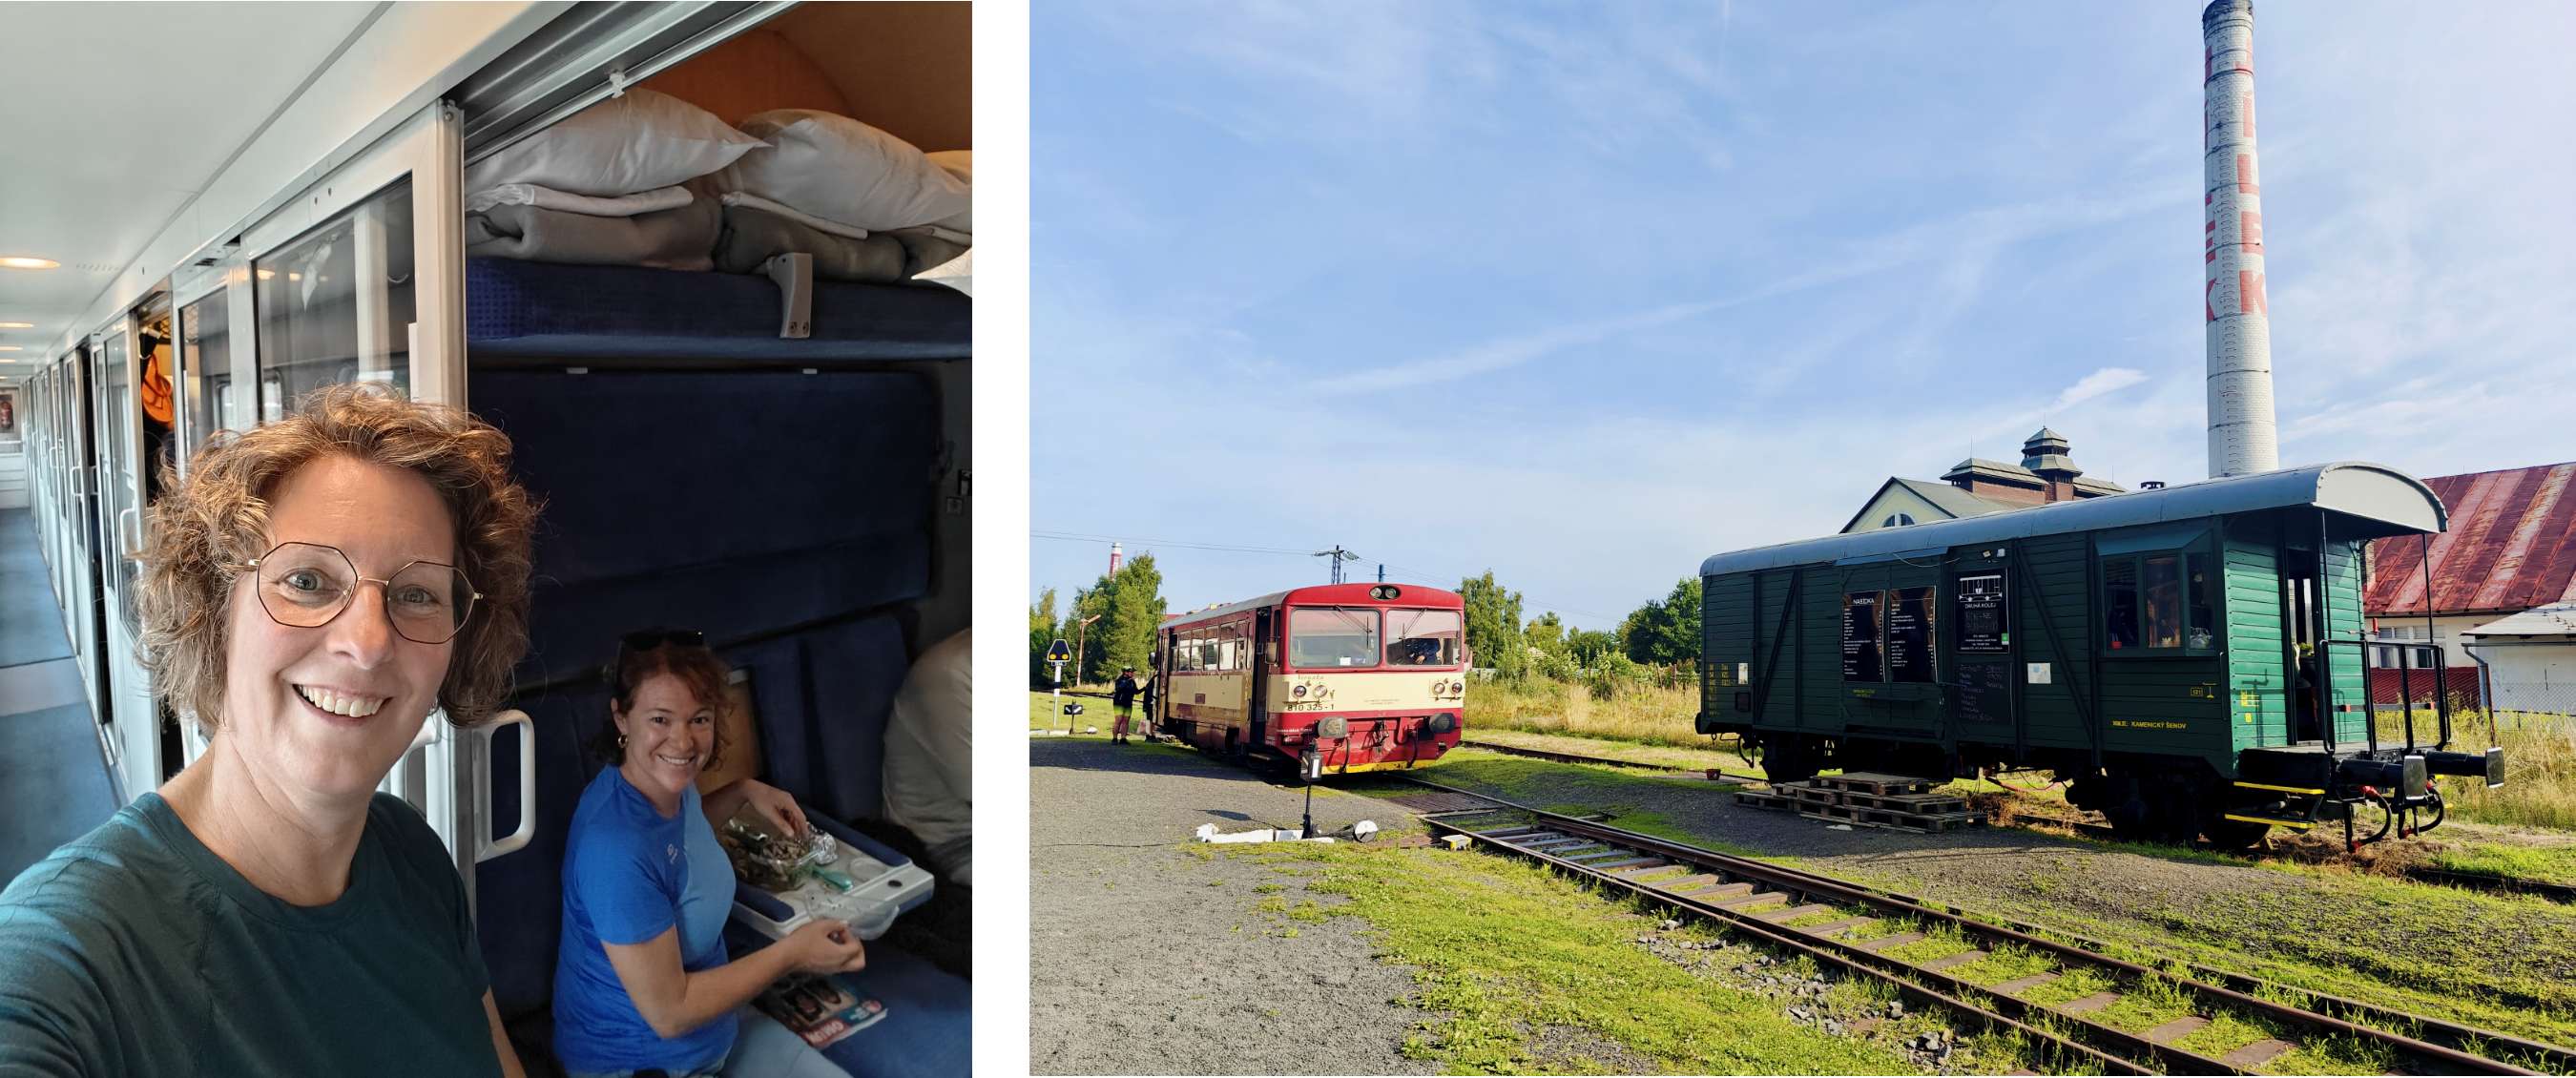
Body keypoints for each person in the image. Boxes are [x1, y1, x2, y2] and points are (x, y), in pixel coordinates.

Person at [0, 383, 539, 1074]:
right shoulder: (72, 958)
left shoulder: (411, 855)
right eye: (308, 581)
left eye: (416, 594)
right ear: (213, 610)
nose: (369, 642)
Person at [551, 630, 862, 1078]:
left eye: (700, 719)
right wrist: (792, 954)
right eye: (660, 719)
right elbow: (670, 1013)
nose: (683, 742)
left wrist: (744, 791)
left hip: (715, 1034)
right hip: (644, 1064)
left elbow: (676, 842)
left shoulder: (661, 785)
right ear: (621, 718)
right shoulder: (614, 848)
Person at [1111, 666, 1144, 745]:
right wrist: (1127, 682)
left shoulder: (1132, 681)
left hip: (1128, 703)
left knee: (1126, 721)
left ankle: (1123, 739)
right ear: (1125, 672)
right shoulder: (1119, 680)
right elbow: (1118, 689)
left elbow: (1136, 692)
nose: (1133, 673)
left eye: (1133, 672)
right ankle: (1114, 739)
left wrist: (1144, 688)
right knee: (1118, 720)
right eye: (1131, 672)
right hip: (1119, 703)